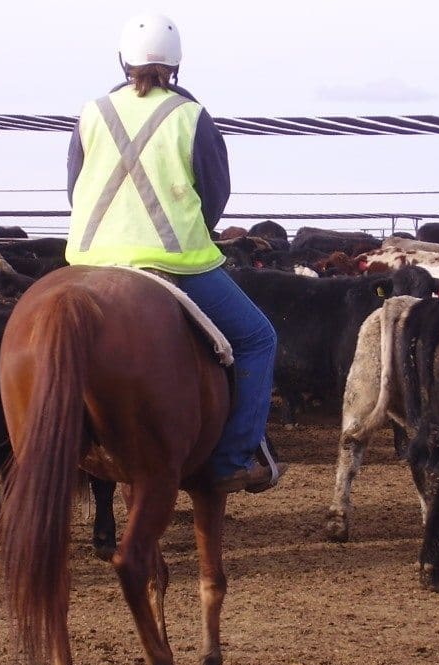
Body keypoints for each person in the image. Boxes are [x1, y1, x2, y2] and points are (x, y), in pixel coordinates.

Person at [65, 13, 284, 494]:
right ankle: (234, 459)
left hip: (88, 262)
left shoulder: (91, 112)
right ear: (177, 65)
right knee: (257, 339)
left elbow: (73, 186)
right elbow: (216, 193)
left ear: (122, 61)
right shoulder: (191, 116)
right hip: (174, 262)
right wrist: (191, 229)